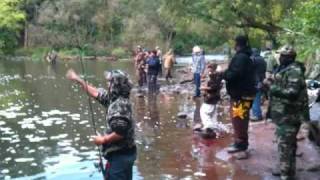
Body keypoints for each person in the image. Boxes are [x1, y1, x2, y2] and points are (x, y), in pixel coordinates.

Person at [66, 69, 136, 180]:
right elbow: (96, 93)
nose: (107, 84)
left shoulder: (119, 106)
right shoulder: (115, 99)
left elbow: (120, 133)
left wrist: (103, 140)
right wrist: (78, 79)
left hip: (120, 157)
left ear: (116, 85)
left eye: (109, 82)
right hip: (125, 154)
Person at [267, 45, 309, 180]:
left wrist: (272, 88)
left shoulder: (294, 71)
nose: (279, 58)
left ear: (289, 57)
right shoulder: (286, 69)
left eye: (282, 56)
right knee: (288, 144)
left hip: (290, 115)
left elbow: (292, 93)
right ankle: (288, 172)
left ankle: (285, 174)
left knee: (285, 145)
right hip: (284, 114)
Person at [224, 35, 256, 153]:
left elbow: (233, 75)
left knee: (238, 118)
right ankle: (241, 141)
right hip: (245, 94)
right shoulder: (247, 56)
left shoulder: (241, 57)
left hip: (240, 95)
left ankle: (240, 144)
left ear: (237, 44)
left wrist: (223, 74)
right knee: (241, 118)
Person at [194, 63, 227, 138]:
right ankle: (214, 127)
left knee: (203, 111)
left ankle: (209, 127)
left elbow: (213, 87)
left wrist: (203, 88)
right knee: (213, 112)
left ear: (213, 69)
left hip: (211, 97)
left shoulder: (214, 76)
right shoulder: (217, 76)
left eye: (209, 68)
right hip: (214, 97)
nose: (208, 69)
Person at [251, 48, 267, 121]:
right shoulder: (262, 59)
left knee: (255, 98)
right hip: (262, 79)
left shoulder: (254, 59)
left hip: (257, 81)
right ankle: (257, 114)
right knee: (257, 97)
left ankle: (257, 115)